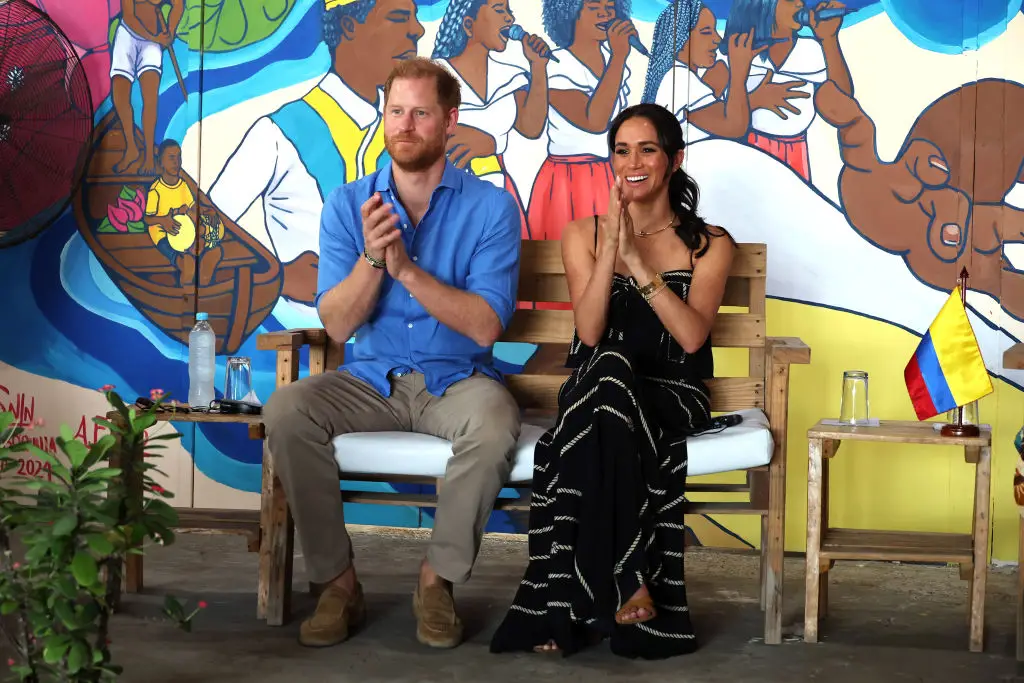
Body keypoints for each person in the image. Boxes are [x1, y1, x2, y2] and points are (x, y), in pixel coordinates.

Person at [262, 57, 524, 651]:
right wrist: (373, 260)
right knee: (286, 410)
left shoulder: (490, 208)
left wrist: (406, 270)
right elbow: (336, 324)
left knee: (493, 422)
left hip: (455, 380)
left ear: (449, 121)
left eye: (420, 113)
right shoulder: (348, 204)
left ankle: (436, 581)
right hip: (370, 380)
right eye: (395, 111)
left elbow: (485, 326)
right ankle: (337, 584)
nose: (404, 125)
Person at [489, 102, 736, 660]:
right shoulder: (582, 233)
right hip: (599, 392)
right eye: (622, 151)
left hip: (670, 394)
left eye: (647, 150)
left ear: (674, 160)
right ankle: (629, 579)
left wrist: (638, 262)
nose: (633, 162)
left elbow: (691, 338)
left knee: (600, 400)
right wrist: (611, 250)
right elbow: (591, 331)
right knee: (608, 371)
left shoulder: (710, 243)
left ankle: (563, 607)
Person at [208, 0, 425, 310]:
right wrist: (279, 277)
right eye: (399, 17)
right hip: (305, 332)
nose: (418, 30)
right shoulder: (280, 132)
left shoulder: (409, 137)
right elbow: (204, 234)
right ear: (349, 26)